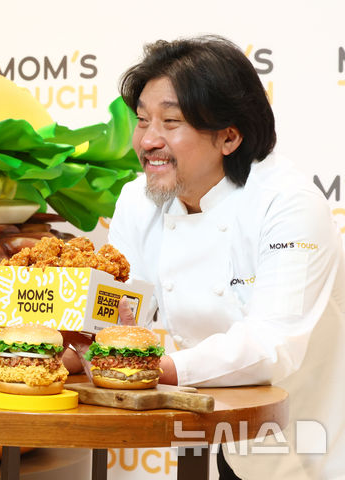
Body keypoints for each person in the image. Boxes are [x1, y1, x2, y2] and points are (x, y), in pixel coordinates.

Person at [108, 35, 345, 479]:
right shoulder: (137, 201)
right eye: (142, 120)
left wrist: (155, 370)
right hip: (222, 434)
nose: (148, 140)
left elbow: (272, 343)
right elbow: (118, 313)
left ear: (229, 136)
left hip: (311, 441)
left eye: (170, 122)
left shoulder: (287, 203)